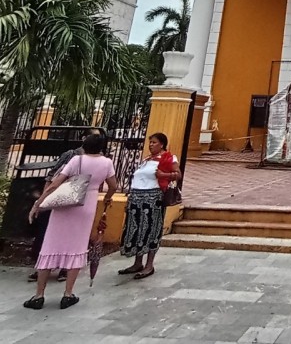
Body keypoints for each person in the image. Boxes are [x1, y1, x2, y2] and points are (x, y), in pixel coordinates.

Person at [24, 132, 118, 310]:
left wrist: (38, 203)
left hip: (66, 204)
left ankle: (39, 295)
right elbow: (113, 186)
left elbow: (55, 183)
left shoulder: (77, 160)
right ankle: (68, 294)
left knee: (50, 246)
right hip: (87, 205)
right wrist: (107, 198)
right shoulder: (107, 162)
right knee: (77, 247)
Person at [28, 128, 103, 283]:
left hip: (77, 202)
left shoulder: (99, 160)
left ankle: (63, 269)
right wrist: (44, 199)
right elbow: (53, 177)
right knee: (50, 236)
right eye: (93, 137)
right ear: (84, 138)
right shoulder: (72, 155)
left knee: (69, 237)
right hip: (61, 200)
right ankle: (44, 268)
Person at [119, 132, 180, 280]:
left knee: (150, 230)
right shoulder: (147, 159)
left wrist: (163, 175)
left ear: (162, 144)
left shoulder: (168, 158)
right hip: (137, 198)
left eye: (154, 142)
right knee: (137, 230)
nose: (151, 144)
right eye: (150, 142)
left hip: (153, 199)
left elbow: (177, 175)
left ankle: (149, 265)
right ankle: (137, 263)